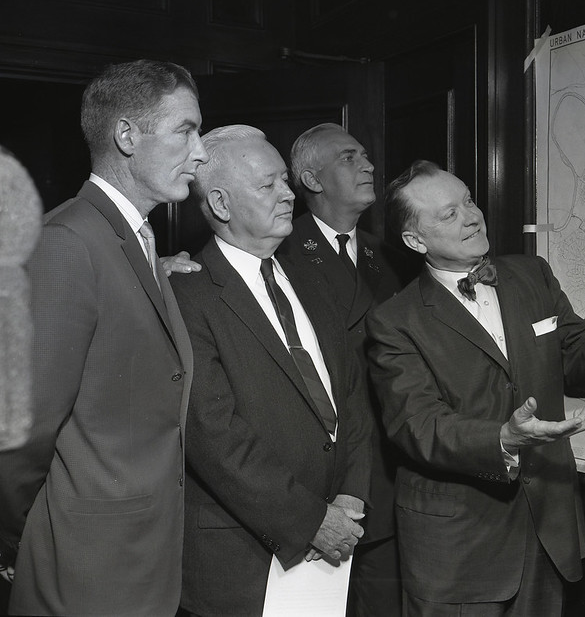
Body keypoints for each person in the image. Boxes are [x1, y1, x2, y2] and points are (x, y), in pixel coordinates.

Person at [366, 160, 585, 616]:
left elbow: (574, 352)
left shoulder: (531, 274)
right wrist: (502, 439)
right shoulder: (395, 321)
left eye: (469, 200)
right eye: (448, 214)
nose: (472, 216)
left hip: (547, 530)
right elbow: (416, 424)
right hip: (458, 549)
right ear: (415, 241)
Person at [0, 59, 206, 616]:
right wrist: (25, 546)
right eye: (185, 130)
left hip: (138, 564)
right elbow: (23, 432)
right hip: (82, 571)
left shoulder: (134, 243)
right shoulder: (67, 243)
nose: (201, 151)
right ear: (126, 136)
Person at [170, 125, 372, 616]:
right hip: (240, 562)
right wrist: (310, 521)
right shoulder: (185, 296)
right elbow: (213, 436)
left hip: (336, 549)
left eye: (285, 180)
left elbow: (352, 394)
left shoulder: (313, 276)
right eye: (268, 185)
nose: (288, 195)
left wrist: (349, 495)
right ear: (220, 203)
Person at [280, 123, 416, 616]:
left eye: (365, 154)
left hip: (388, 469)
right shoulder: (276, 251)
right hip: (320, 480)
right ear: (312, 180)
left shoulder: (391, 254)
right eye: (348, 157)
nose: (369, 165)